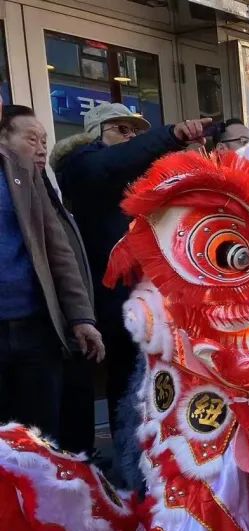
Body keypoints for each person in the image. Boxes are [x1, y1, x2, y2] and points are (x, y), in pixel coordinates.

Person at [52, 103, 210, 445]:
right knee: (128, 391)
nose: (132, 138)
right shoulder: (83, 166)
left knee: (159, 389)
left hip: (160, 302)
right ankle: (128, 474)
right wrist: (172, 134)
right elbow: (114, 162)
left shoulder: (138, 174)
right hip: (116, 306)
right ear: (94, 134)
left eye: (136, 131)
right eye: (121, 130)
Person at [0, 101, 104, 442]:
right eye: (33, 139)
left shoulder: (21, 173)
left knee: (41, 441)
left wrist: (81, 318)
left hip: (35, 331)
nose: (41, 148)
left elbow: (59, 250)